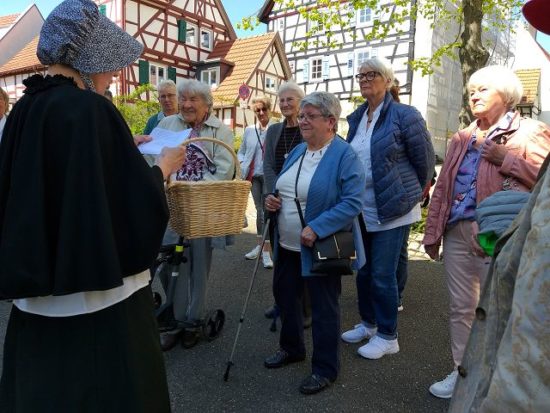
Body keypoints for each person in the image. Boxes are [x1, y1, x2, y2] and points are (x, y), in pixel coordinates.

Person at [0, 1, 186, 411]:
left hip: (37, 306)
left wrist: (119, 147)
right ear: (89, 60)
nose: (112, 74)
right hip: (103, 310)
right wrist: (162, 169)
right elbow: (131, 207)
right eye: (110, 64)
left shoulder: (23, 111)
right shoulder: (92, 109)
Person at [423, 64, 550, 399]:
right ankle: (462, 372)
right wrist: (433, 232)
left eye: (482, 89)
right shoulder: (462, 137)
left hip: (498, 235)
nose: (474, 95)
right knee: (461, 308)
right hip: (457, 232)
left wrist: (505, 158)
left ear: (505, 95)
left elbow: (544, 180)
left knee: (500, 308)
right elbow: (444, 188)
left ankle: (495, 379)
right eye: (471, 91)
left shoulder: (530, 131)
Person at [263, 91, 366, 395]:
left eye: (310, 116)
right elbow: (285, 186)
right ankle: (292, 348)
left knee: (324, 308)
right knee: (286, 299)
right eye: (302, 115)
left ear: (331, 122)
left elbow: (352, 202)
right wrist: (273, 199)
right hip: (288, 243)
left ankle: (325, 369)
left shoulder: (344, 155)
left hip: (325, 244)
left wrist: (318, 227)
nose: (302, 120)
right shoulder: (299, 150)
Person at [341, 57, 435, 359]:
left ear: (388, 80)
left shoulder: (405, 115)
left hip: (394, 207)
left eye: (373, 74)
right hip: (362, 208)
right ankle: (369, 324)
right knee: (364, 271)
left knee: (382, 273)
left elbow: (424, 160)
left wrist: (411, 193)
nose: (366, 79)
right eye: (362, 75)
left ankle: (387, 335)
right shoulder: (356, 117)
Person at [155, 78, 235, 351]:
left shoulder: (220, 131)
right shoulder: (167, 125)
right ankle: (175, 320)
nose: (186, 104)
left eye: (193, 100)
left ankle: (194, 320)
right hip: (170, 206)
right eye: (183, 99)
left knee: (198, 265)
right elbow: (152, 159)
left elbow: (224, 171)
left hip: (202, 209)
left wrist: (193, 192)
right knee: (169, 263)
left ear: (207, 105)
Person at [263, 81, 309, 321]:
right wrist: (272, 193)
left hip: (301, 203)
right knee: (280, 258)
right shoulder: (273, 131)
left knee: (303, 257)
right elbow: (268, 165)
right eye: (281, 100)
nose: (285, 104)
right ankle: (281, 302)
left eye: (290, 99)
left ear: (301, 102)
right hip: (276, 201)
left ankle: (304, 308)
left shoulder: (308, 129)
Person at [238, 96, 274, 268]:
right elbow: (242, 151)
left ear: (269, 109)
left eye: (263, 109)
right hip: (253, 175)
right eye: (257, 110)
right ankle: (260, 247)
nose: (260, 113)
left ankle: (267, 251)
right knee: (259, 211)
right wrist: (243, 163)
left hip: (269, 175)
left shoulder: (276, 128)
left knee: (267, 212)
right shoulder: (249, 130)